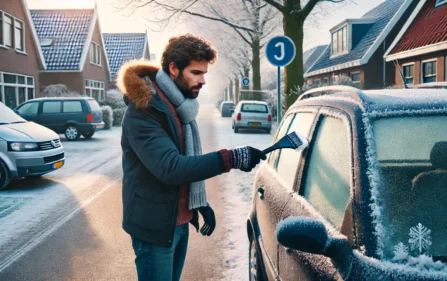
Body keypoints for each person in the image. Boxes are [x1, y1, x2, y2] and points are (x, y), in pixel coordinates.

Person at [117, 34, 266, 281]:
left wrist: (198, 203)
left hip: (179, 222)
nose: (203, 80)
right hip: (155, 229)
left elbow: (184, 163)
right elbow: (171, 167)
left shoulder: (179, 106)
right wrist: (232, 158)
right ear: (174, 69)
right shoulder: (144, 110)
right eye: (196, 72)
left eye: (204, 73)